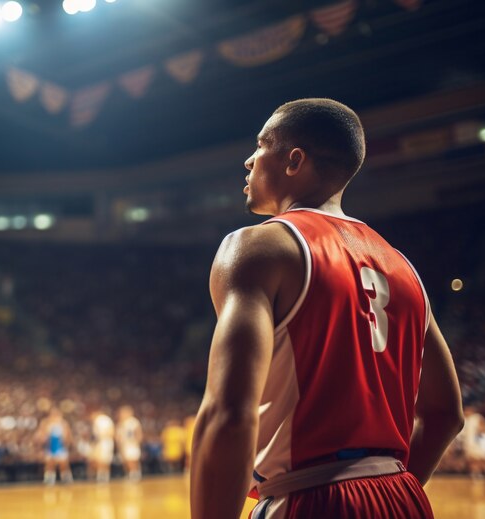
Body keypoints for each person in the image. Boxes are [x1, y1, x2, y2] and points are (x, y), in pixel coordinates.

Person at [190, 98, 464, 519]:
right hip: (402, 497)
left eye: (261, 145)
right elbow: (446, 414)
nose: (248, 161)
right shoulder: (403, 266)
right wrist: (383, 492)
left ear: (294, 161)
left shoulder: (256, 247)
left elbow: (228, 415)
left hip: (310, 498)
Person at [39, 408, 73, 485]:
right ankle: (49, 479)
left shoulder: (63, 424)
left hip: (61, 447)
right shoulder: (46, 423)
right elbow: (42, 436)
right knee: (50, 464)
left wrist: (67, 442)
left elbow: (68, 436)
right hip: (50, 447)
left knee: (63, 464)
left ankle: (66, 479)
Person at [116, 406, 143, 481]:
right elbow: (118, 435)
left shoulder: (133, 422)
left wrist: (137, 442)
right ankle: (129, 474)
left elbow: (138, 433)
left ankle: (134, 474)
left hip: (131, 444)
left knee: (132, 460)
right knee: (125, 461)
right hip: (123, 445)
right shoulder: (121, 423)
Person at [90, 409, 115, 482]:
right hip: (107, 442)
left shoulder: (99, 420)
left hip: (103, 442)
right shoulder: (107, 419)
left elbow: (111, 432)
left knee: (101, 460)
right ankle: (104, 477)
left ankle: (101, 477)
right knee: (104, 460)